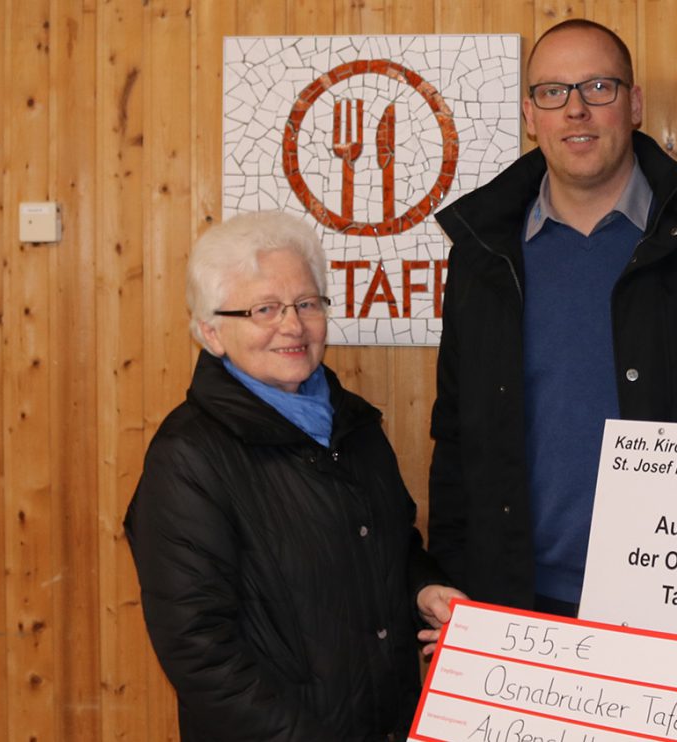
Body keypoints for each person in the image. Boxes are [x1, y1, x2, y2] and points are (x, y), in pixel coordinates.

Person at [429, 19, 677, 617]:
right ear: (529, 114)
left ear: (635, 104)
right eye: (553, 92)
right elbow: (457, 434)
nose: (576, 110)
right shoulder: (482, 256)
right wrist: (453, 575)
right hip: (518, 605)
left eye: (599, 87)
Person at [124, 211, 463, 741]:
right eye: (265, 309)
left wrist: (423, 589)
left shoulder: (355, 425)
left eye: (307, 304)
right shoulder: (186, 456)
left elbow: (390, 548)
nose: (292, 325)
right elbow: (200, 652)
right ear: (211, 333)